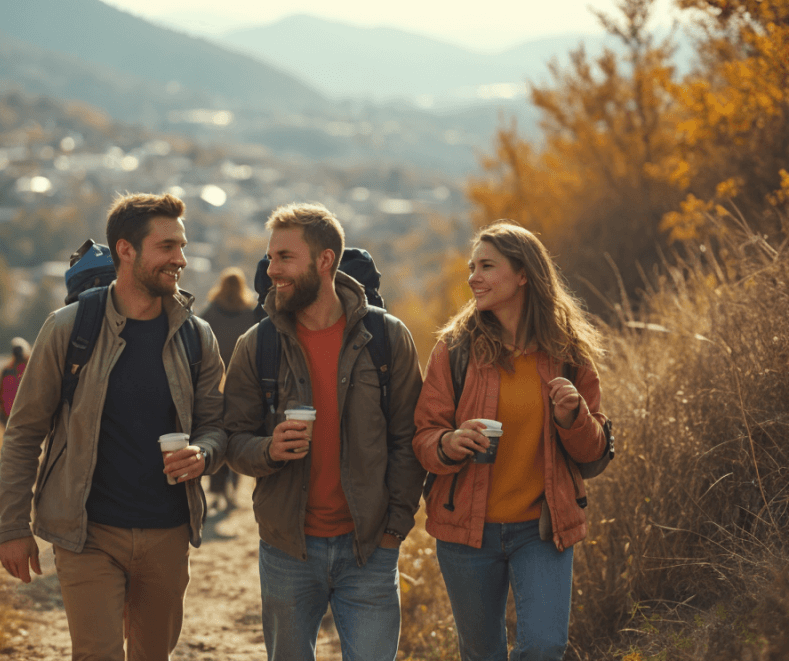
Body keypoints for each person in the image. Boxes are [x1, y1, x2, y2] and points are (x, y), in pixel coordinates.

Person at [0, 193, 227, 661]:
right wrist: (12, 527)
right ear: (126, 250)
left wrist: (203, 453)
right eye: (167, 247)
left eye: (181, 247)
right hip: (88, 534)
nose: (180, 259)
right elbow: (24, 432)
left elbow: (217, 428)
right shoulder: (68, 328)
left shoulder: (196, 336)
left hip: (168, 533)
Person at [223, 203, 426, 661]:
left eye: (284, 258)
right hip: (287, 551)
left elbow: (408, 440)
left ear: (325, 260)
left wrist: (394, 527)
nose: (271, 270)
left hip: (369, 550)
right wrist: (269, 449)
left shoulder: (387, 338)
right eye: (270, 257)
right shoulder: (257, 346)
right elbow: (232, 440)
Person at [412, 220, 610, 661]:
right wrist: (449, 442)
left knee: (544, 645)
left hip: (540, 529)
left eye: (487, 266)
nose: (473, 277)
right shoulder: (455, 349)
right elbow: (423, 436)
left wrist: (573, 416)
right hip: (467, 530)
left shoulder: (569, 352)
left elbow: (594, 452)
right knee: (482, 653)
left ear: (523, 274)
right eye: (471, 267)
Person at [198, 267, 260, 510]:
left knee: (217, 435)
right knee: (239, 435)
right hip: (243, 385)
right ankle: (234, 488)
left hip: (215, 383)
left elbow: (198, 335)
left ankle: (217, 489)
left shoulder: (211, 311)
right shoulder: (250, 313)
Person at [0, 337, 31, 425]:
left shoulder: (7, 370)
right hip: (24, 414)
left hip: (8, 413)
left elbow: (0, 391)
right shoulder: (29, 369)